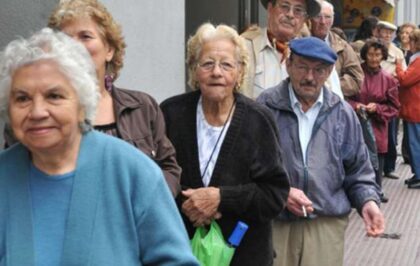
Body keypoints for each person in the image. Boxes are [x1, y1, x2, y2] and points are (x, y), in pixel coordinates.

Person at [0, 28, 198, 265]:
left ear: (82, 103)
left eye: (54, 96)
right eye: (22, 98)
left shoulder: (132, 173)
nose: (37, 112)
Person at [160, 23, 290, 266]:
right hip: (181, 253)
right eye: (207, 63)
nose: (216, 72)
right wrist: (189, 205)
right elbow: (155, 182)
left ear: (240, 72)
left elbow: (274, 195)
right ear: (194, 70)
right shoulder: (170, 113)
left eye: (227, 64)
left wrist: (222, 198)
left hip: (245, 254)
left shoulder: (258, 120)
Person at [257, 37, 385, 266]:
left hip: (325, 223)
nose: (309, 77)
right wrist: (281, 192)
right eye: (302, 67)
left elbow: (358, 171)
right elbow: (249, 167)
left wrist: (368, 202)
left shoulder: (342, 113)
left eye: (319, 70)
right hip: (275, 221)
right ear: (288, 65)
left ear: (329, 73)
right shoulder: (265, 107)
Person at [46, 0, 180, 196]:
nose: (74, 46)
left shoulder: (143, 107)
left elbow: (169, 168)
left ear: (109, 50)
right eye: (65, 39)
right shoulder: (40, 112)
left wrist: (149, 204)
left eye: (85, 36)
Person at [347, 38, 400, 202]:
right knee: (354, 159)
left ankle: (376, 191)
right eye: (370, 54)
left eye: (377, 55)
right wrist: (356, 105)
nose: (374, 58)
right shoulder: (356, 74)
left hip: (377, 126)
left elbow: (395, 107)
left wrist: (377, 108)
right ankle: (353, 192)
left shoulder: (388, 79)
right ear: (365, 55)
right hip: (355, 124)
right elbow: (344, 97)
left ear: (383, 56)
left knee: (376, 161)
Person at [241, 0, 321, 98]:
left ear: (304, 20)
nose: (290, 15)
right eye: (284, 6)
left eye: (298, 10)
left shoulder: (315, 54)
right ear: (270, 9)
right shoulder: (244, 47)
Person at [310, 0, 364, 98]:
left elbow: (357, 79)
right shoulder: (300, 41)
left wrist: (330, 84)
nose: (323, 22)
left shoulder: (342, 46)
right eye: (318, 16)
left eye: (327, 17)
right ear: (310, 19)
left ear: (332, 21)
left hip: (333, 104)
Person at [396, 28, 420, 189]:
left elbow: (405, 80)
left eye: (411, 40)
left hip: (415, 108)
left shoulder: (418, 61)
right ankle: (417, 173)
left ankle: (419, 175)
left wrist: (398, 67)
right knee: (413, 142)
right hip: (413, 107)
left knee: (415, 143)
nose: (409, 43)